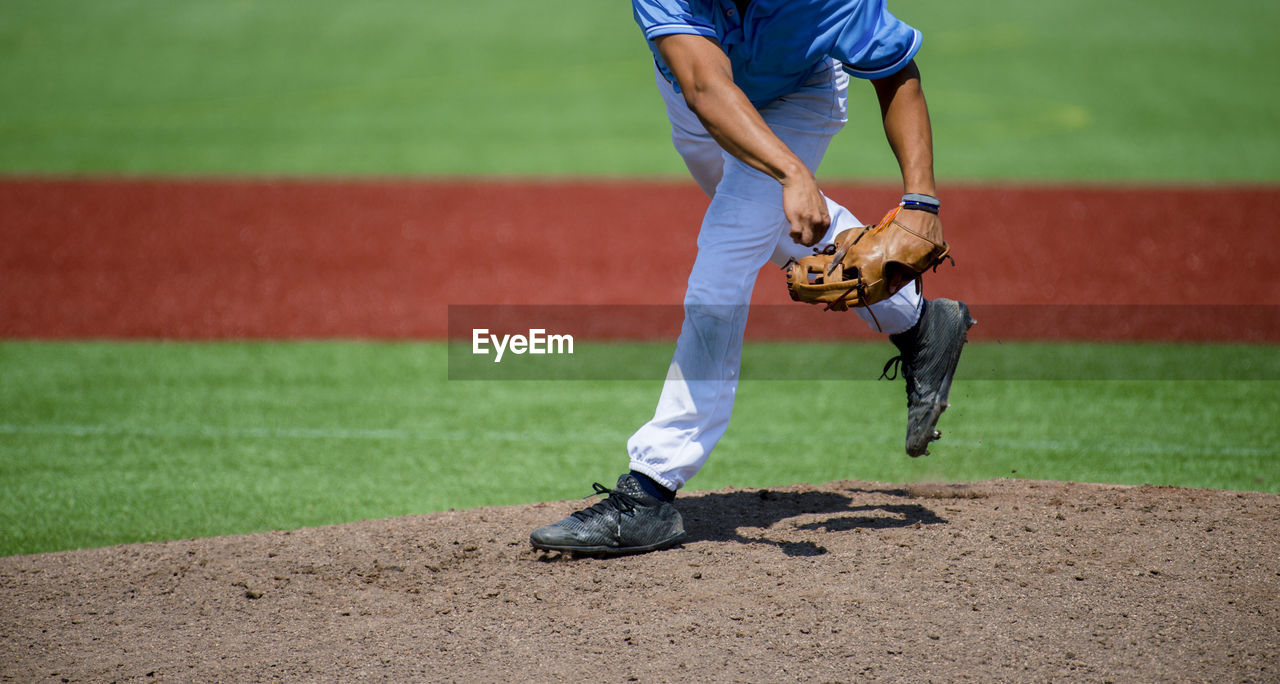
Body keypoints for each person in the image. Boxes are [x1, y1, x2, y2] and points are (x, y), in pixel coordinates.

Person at [530, 0, 973, 555]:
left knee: (723, 263)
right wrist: (790, 173)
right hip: (698, 107)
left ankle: (649, 492)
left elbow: (893, 68)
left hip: (799, 94)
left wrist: (921, 198)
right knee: (776, 220)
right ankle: (921, 324)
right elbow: (705, 87)